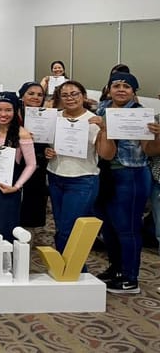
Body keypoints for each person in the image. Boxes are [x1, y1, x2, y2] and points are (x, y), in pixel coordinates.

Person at [94, 72, 160, 293]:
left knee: (128, 228)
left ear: (134, 91)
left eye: (126, 86)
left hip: (131, 174)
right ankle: (116, 268)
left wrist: (158, 136)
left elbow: (150, 151)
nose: (121, 89)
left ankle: (131, 277)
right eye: (116, 85)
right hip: (104, 174)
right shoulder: (101, 109)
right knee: (109, 226)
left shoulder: (142, 115)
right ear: (109, 89)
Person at [43, 81, 102, 261]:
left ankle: (74, 271)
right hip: (55, 176)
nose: (70, 98)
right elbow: (48, 143)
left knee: (70, 228)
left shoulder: (93, 121)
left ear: (83, 96)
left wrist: (105, 129)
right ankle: (65, 269)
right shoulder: (54, 118)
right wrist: (47, 150)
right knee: (61, 226)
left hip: (82, 179)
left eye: (74, 94)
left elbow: (106, 154)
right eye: (65, 95)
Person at [0, 92, 36, 244]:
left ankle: (5, 265)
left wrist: (16, 187)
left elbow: (31, 164)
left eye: (8, 110)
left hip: (7, 188)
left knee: (4, 227)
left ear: (15, 111)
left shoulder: (22, 134)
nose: (3, 114)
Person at [18, 81, 49, 227]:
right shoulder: (13, 113)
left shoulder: (48, 115)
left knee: (34, 199)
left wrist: (49, 150)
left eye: (40, 95)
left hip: (38, 162)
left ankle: (28, 236)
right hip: (16, 162)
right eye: (31, 94)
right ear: (22, 96)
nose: (36, 97)